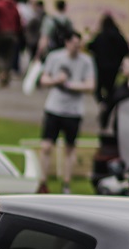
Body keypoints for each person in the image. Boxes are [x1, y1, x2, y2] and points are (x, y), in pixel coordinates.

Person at [39, 30, 96, 194]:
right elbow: (43, 79)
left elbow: (90, 85)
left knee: (70, 148)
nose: (76, 48)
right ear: (67, 43)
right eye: (74, 44)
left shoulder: (86, 61)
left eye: (79, 45)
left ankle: (66, 183)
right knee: (46, 146)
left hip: (73, 111)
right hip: (54, 108)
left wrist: (70, 85)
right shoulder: (55, 57)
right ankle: (43, 182)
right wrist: (57, 80)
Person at [88, 14, 129, 104]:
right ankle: (109, 103)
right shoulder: (118, 36)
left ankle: (102, 102)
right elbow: (126, 49)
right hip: (114, 67)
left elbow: (90, 47)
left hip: (101, 66)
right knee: (111, 87)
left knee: (99, 87)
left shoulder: (100, 36)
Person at [0, 0, 22, 88]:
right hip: (12, 34)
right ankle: (5, 76)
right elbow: (19, 21)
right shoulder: (15, 6)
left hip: (0, 33)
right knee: (9, 57)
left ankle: (1, 73)